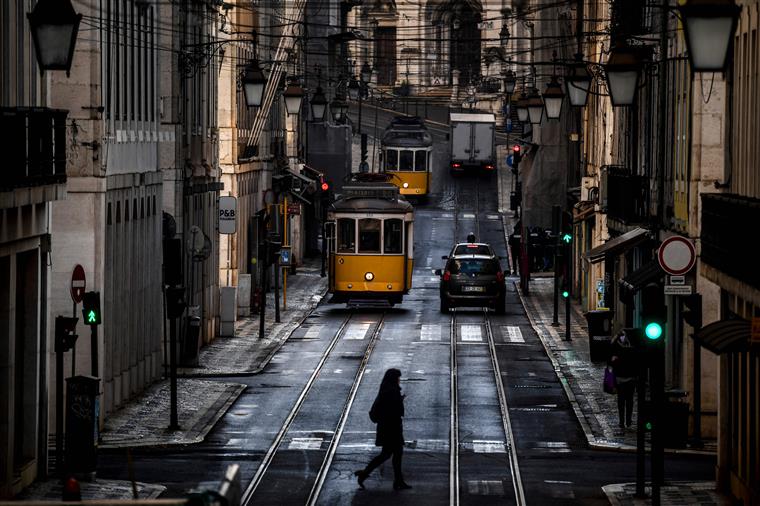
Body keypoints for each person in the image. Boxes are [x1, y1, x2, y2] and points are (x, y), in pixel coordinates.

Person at [354, 368, 411, 491]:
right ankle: (366, 474)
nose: (399, 380)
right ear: (394, 379)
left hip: (387, 427)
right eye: (398, 378)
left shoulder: (386, 389)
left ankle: (397, 481)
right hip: (391, 428)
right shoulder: (391, 391)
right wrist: (399, 401)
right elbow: (392, 409)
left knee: (391, 454)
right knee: (391, 454)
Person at [609, 330, 637, 428]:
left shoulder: (616, 347)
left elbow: (611, 363)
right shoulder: (632, 347)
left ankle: (624, 421)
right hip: (627, 378)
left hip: (622, 378)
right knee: (628, 400)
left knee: (623, 401)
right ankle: (626, 421)